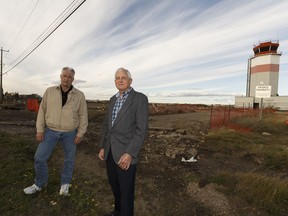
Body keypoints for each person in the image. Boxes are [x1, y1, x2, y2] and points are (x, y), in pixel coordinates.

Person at [23, 67, 88, 196]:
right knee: (39, 158)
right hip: (51, 131)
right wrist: (40, 130)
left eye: (70, 77)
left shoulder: (79, 95)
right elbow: (42, 111)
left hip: (70, 132)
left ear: (73, 79)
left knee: (69, 160)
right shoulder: (50, 91)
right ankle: (40, 184)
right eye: (65, 76)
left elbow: (83, 115)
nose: (67, 78)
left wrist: (80, 133)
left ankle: (65, 185)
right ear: (60, 76)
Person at [98, 67, 149, 216]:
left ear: (130, 81)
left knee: (126, 191)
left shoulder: (139, 98)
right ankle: (118, 212)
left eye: (123, 78)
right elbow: (107, 126)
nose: (120, 80)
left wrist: (129, 153)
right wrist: (102, 146)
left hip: (125, 154)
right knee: (115, 187)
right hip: (110, 152)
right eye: (117, 78)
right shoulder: (112, 99)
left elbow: (141, 130)